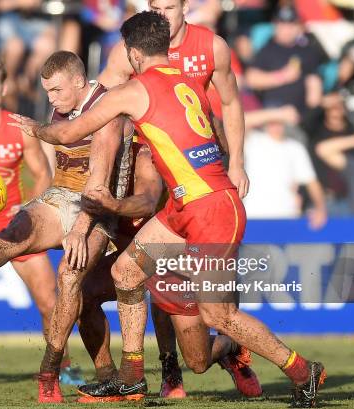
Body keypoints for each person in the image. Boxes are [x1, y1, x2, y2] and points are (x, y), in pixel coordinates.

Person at [9, 12, 326, 408]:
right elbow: (214, 126)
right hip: (185, 206)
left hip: (210, 209)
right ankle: (131, 379)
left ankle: (302, 371)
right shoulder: (188, 80)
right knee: (127, 272)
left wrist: (35, 128)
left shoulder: (134, 90)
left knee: (219, 317)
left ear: (134, 53)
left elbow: (72, 131)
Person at [0, 51, 131, 402]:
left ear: (78, 81)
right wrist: (35, 205)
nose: (51, 99)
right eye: (47, 92)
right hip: (62, 196)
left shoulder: (107, 108)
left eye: (55, 90)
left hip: (101, 208)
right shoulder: (60, 105)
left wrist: (79, 229)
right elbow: (59, 160)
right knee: (13, 235)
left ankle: (51, 370)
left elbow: (97, 184)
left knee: (70, 280)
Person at [97, 0, 248, 395]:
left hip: (202, 171)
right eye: (156, 6)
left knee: (210, 280)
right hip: (154, 166)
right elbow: (101, 107)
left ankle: (230, 340)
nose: (163, 13)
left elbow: (230, 103)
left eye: (170, 6)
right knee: (150, 271)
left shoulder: (210, 46)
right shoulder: (129, 49)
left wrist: (239, 163)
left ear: (185, 7)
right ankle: (169, 370)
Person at [77, 139, 262, 403]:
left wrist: (235, 162)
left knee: (199, 357)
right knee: (84, 291)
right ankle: (117, 377)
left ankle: (231, 346)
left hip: (182, 237)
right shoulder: (102, 141)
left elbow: (149, 202)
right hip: (135, 246)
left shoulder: (161, 136)